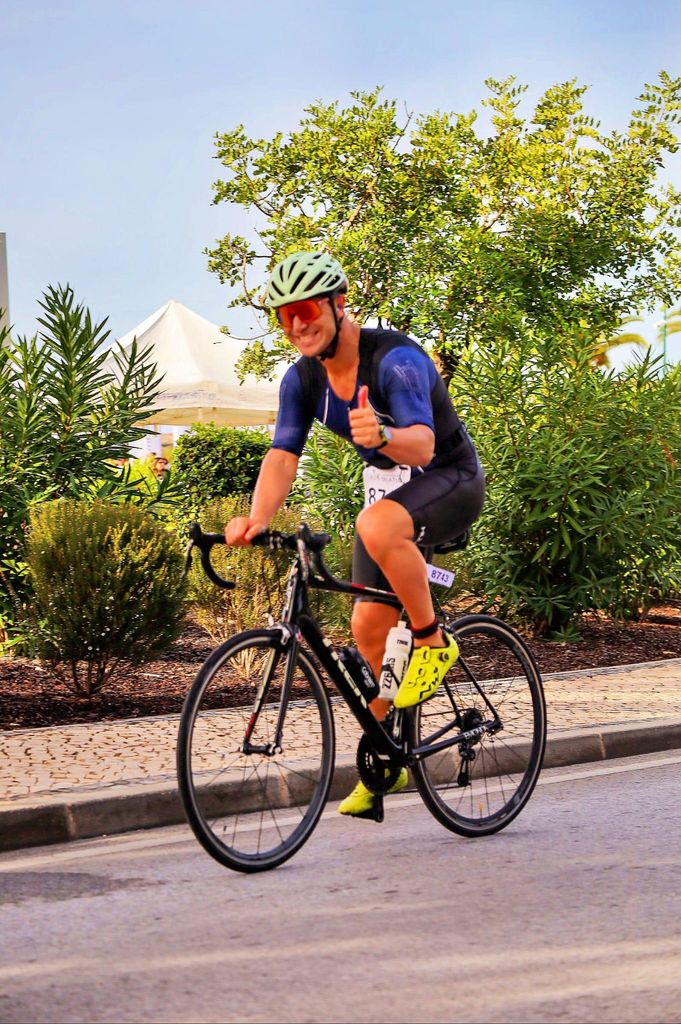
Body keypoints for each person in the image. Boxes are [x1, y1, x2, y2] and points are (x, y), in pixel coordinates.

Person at [225, 252, 485, 816]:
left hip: (449, 477)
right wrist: (257, 518)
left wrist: (384, 430)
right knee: (366, 625)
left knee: (375, 524)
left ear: (338, 304)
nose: (297, 324)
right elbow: (281, 455)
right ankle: (389, 755)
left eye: (306, 309)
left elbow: (421, 444)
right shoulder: (303, 378)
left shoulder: (395, 361)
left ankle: (434, 640)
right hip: (390, 492)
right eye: (284, 316)